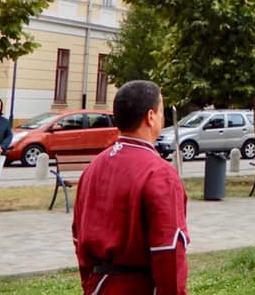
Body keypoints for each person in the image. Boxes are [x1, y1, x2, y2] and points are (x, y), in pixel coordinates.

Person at [72, 80, 189, 294]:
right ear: (150, 116)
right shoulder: (159, 173)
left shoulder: (93, 168)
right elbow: (169, 249)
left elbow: (78, 237)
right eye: (161, 111)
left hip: (98, 287)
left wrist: (90, 285)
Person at [0, 95, 12, 214]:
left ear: (1, 107)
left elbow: (9, 135)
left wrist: (1, 147)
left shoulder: (5, 121)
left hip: (0, 154)